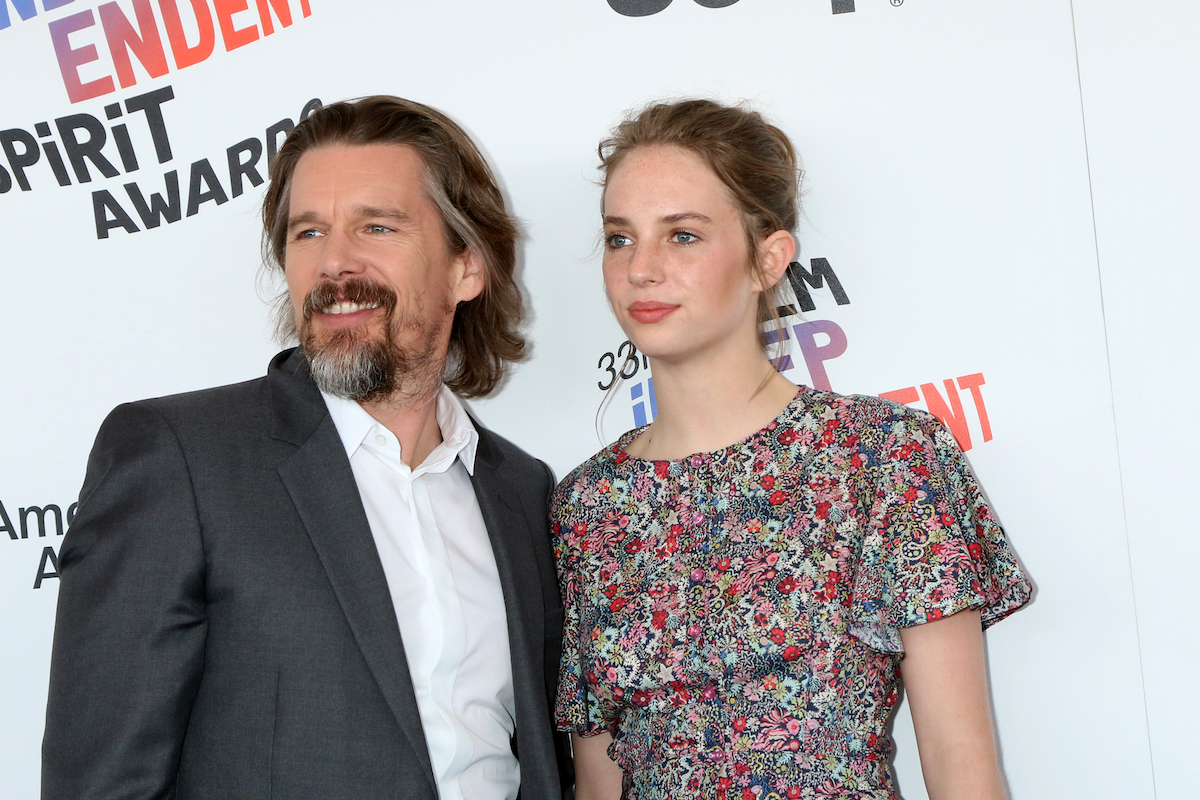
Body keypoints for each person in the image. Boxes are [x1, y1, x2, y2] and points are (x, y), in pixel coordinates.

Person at [43, 95, 569, 800]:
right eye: (308, 232)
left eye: (377, 226)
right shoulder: (180, 460)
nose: (334, 262)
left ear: (466, 268)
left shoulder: (520, 490)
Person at [552, 99, 1032, 800]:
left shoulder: (881, 456)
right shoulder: (585, 506)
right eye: (620, 238)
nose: (642, 270)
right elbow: (598, 779)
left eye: (682, 236)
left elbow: (961, 762)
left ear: (766, 259)